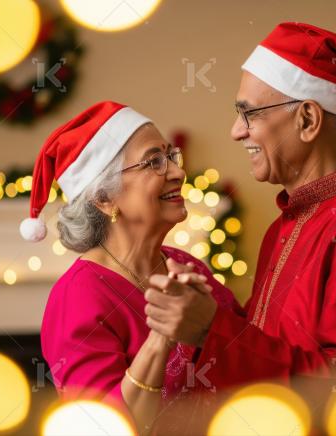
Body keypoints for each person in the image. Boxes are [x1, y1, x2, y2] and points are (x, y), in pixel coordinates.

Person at [144, 22, 336, 426]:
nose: (236, 130)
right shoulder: (286, 224)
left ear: (308, 119)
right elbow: (271, 349)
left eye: (248, 113)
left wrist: (213, 331)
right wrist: (199, 310)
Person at [21, 101, 237, 434]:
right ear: (105, 198)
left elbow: (247, 347)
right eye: (154, 162)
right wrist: (162, 336)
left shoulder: (185, 265)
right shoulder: (78, 295)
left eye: (171, 156)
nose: (178, 172)